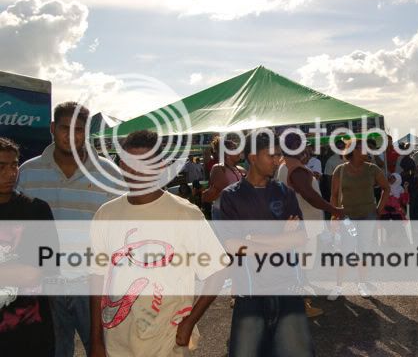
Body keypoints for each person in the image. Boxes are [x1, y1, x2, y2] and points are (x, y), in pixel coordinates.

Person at [90, 130, 226, 357]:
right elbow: (96, 278)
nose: (136, 171)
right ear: (121, 166)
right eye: (130, 163)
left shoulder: (185, 214)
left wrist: (190, 322)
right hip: (118, 342)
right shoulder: (106, 214)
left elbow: (218, 271)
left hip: (168, 341)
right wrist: (95, 340)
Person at [17, 102, 122, 357]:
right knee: (53, 351)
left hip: (93, 285)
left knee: (102, 350)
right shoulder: (28, 172)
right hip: (46, 286)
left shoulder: (109, 174)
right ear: (53, 128)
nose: (72, 136)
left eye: (79, 130)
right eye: (65, 128)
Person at [218, 131, 315, 357]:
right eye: (271, 155)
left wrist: (254, 239)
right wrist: (281, 238)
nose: (277, 160)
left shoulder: (284, 192)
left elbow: (300, 238)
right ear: (252, 157)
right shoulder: (231, 197)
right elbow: (233, 246)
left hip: (288, 290)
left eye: (279, 155)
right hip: (250, 294)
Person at [0, 137, 59, 356]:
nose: (11, 173)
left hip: (31, 335)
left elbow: (46, 268)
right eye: (1, 167)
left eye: (14, 165)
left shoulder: (36, 211)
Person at [277, 136, 345, 319]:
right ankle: (301, 305)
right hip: (303, 225)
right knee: (301, 266)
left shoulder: (286, 165)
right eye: (303, 147)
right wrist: (335, 209)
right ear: (293, 147)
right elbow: (310, 196)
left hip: (297, 224)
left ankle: (299, 300)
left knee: (298, 265)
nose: (306, 150)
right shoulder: (296, 169)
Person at [328, 139, 390, 300]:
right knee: (345, 251)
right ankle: (338, 287)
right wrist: (334, 216)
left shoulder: (372, 169)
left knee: (364, 250)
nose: (367, 151)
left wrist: (379, 209)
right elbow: (334, 195)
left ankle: (362, 284)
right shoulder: (340, 170)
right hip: (347, 217)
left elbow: (386, 188)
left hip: (368, 215)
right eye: (363, 148)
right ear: (354, 150)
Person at [202, 137, 246, 220]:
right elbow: (227, 190)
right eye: (235, 149)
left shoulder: (239, 169)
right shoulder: (218, 168)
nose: (239, 151)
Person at [379, 173, 410, 245]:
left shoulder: (400, 189)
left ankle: (396, 240)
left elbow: (405, 201)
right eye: (391, 177)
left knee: (397, 222)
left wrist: (406, 189)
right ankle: (390, 240)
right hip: (385, 211)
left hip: (396, 211)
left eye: (393, 178)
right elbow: (382, 200)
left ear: (397, 180)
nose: (391, 178)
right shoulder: (385, 187)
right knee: (385, 222)